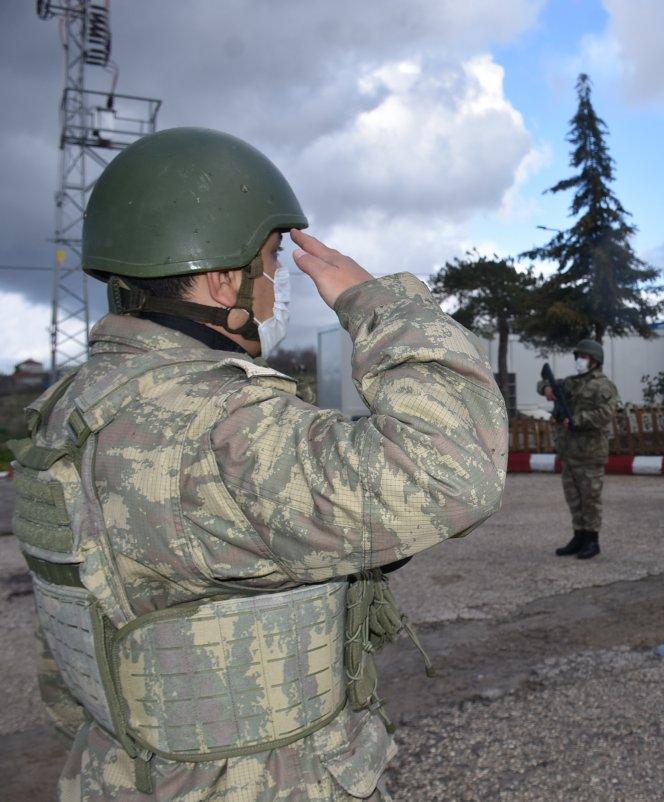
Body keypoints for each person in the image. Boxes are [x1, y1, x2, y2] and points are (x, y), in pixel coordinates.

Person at [7, 127, 508, 800]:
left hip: (123, 771)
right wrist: (381, 303)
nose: (280, 280)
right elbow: (456, 467)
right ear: (222, 281)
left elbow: (69, 654)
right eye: (272, 258)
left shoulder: (69, 411)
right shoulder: (219, 423)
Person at [538, 339, 621, 560]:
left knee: (590, 498)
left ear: (595, 360)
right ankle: (579, 536)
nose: (579, 360)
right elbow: (542, 382)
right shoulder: (572, 383)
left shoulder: (603, 386)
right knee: (573, 497)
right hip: (569, 452)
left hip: (590, 452)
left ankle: (592, 540)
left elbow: (607, 413)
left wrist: (578, 420)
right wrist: (547, 388)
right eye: (578, 356)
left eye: (583, 357)